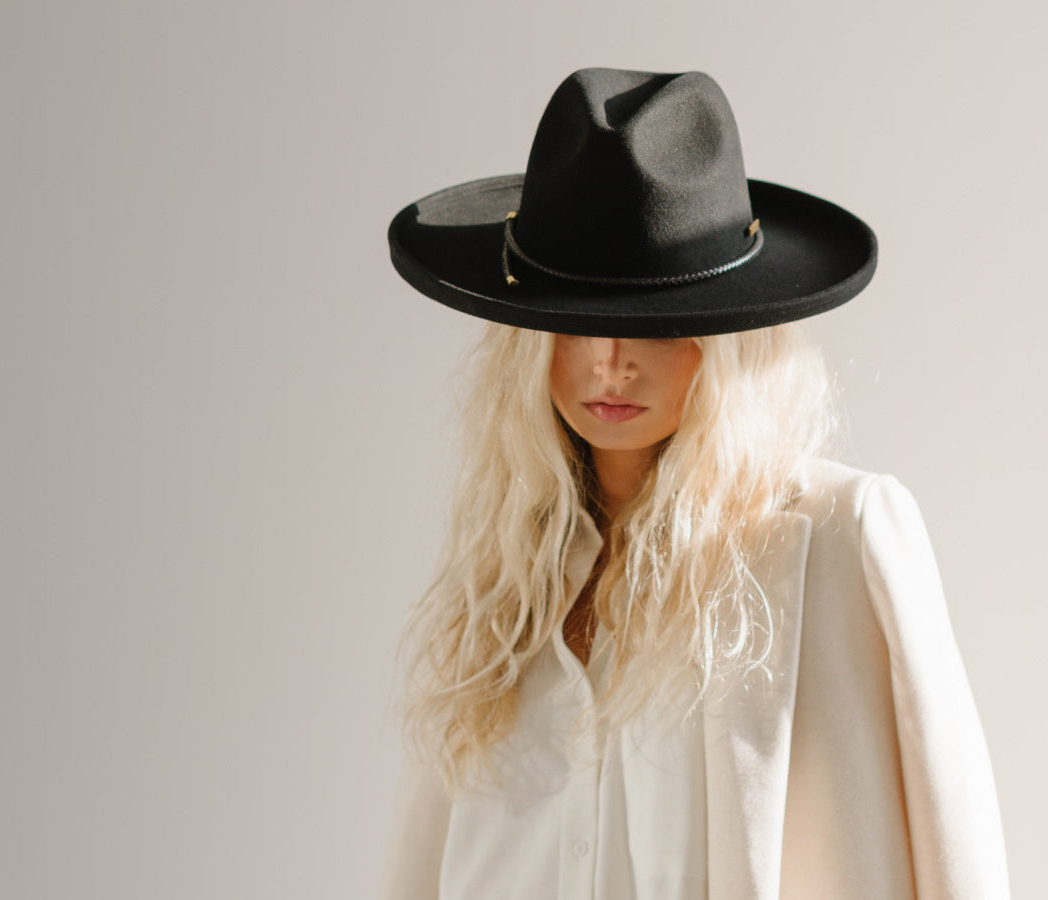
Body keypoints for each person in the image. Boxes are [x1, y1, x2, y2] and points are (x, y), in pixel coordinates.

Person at [383, 67, 1010, 900]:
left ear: (730, 336)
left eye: (655, 325)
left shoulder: (839, 538)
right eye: (574, 321)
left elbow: (953, 851)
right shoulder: (505, 570)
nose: (611, 362)